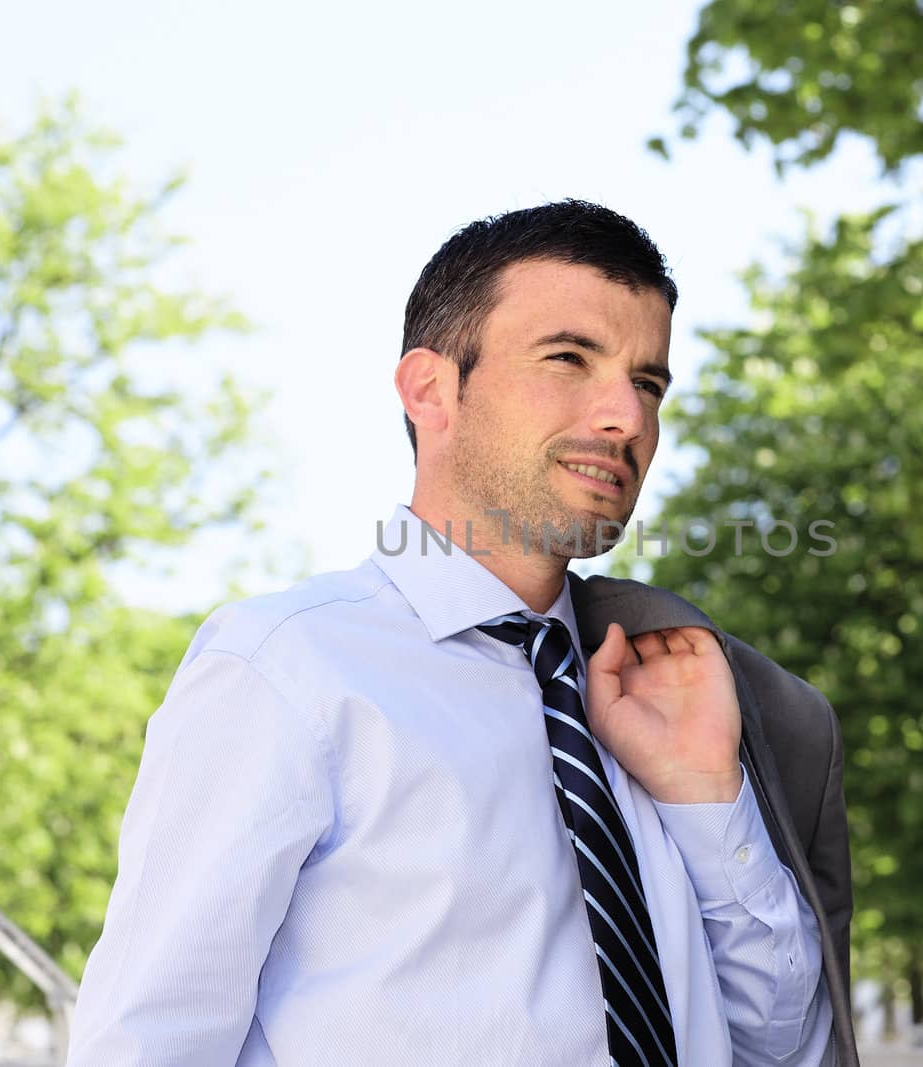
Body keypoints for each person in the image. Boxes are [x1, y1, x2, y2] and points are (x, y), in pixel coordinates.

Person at [67, 201, 857, 1066]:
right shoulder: (282, 670)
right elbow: (147, 1043)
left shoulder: (667, 695)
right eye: (569, 358)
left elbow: (778, 1049)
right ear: (431, 389)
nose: (626, 417)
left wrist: (705, 794)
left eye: (649, 382)